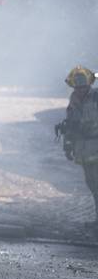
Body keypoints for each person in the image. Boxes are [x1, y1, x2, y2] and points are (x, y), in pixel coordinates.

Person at [57, 65, 98, 219]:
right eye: (78, 87)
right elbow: (70, 127)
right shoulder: (72, 103)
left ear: (89, 85)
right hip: (84, 151)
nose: (81, 90)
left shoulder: (96, 97)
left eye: (84, 86)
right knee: (92, 185)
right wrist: (67, 147)